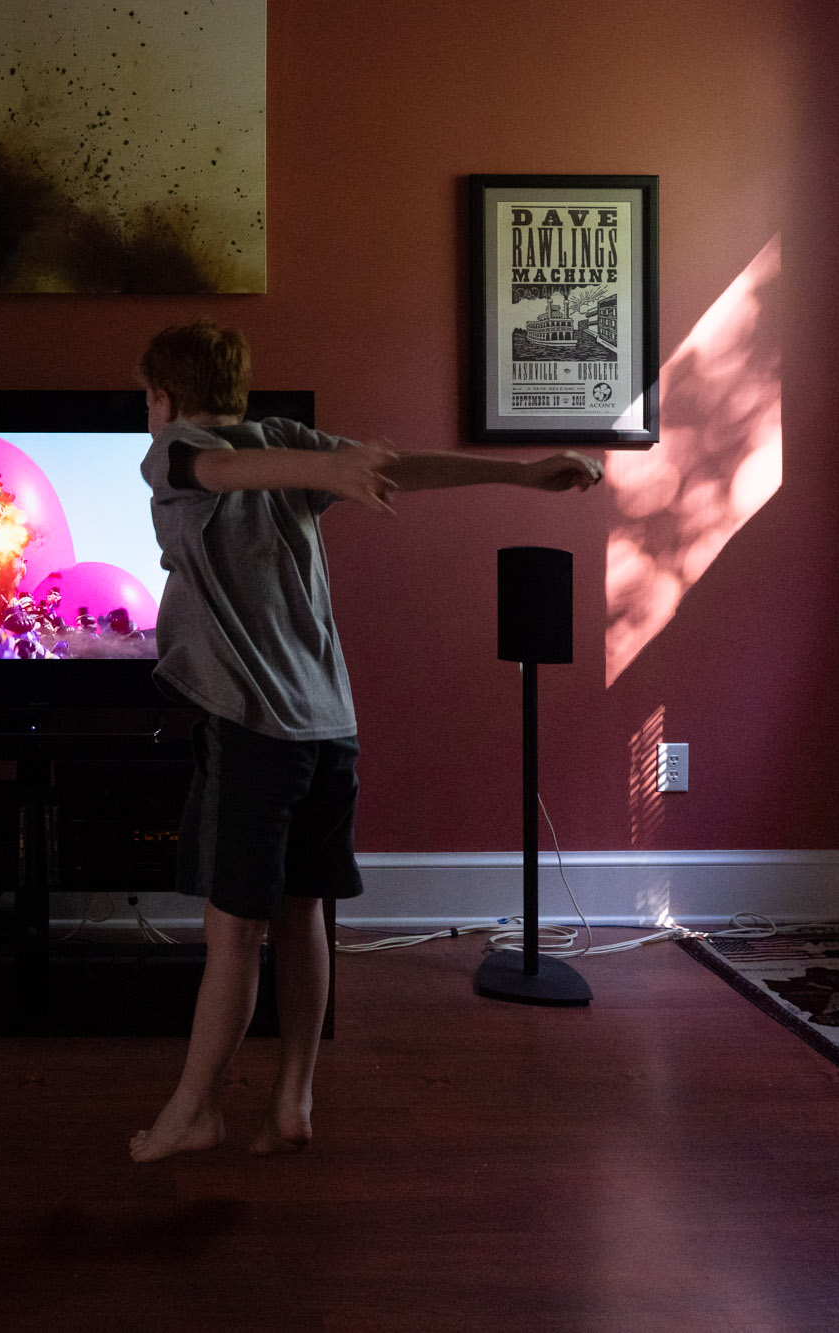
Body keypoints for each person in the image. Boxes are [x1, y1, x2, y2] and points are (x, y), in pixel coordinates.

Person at [128, 319, 602, 1163]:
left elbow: (230, 465)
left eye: (147, 400)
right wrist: (508, 473)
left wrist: (520, 475)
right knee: (304, 911)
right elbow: (253, 469)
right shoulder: (281, 443)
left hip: (254, 727)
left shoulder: (171, 452)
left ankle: (194, 1111)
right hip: (330, 727)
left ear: (162, 398)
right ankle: (291, 1100)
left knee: (234, 932)